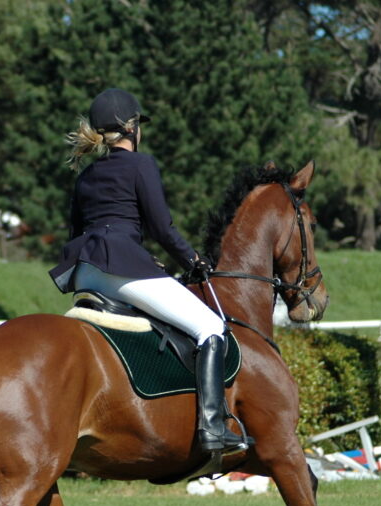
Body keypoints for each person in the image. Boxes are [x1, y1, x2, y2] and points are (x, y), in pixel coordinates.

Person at [48, 87, 250, 457]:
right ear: (130, 127)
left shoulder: (86, 175)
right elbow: (161, 227)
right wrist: (194, 261)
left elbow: (78, 231)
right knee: (211, 328)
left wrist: (137, 260)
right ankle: (212, 426)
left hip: (86, 272)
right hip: (121, 268)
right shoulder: (142, 165)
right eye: (139, 125)